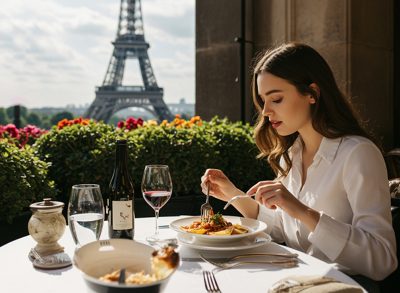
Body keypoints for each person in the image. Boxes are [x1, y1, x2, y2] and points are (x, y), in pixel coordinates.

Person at [200, 43, 397, 287]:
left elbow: (382, 260)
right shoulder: (291, 155)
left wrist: (302, 210)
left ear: (311, 93)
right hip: (294, 283)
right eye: (263, 101)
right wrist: (233, 194)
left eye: (277, 99)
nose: (266, 112)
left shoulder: (358, 154)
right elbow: (281, 228)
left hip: (343, 288)